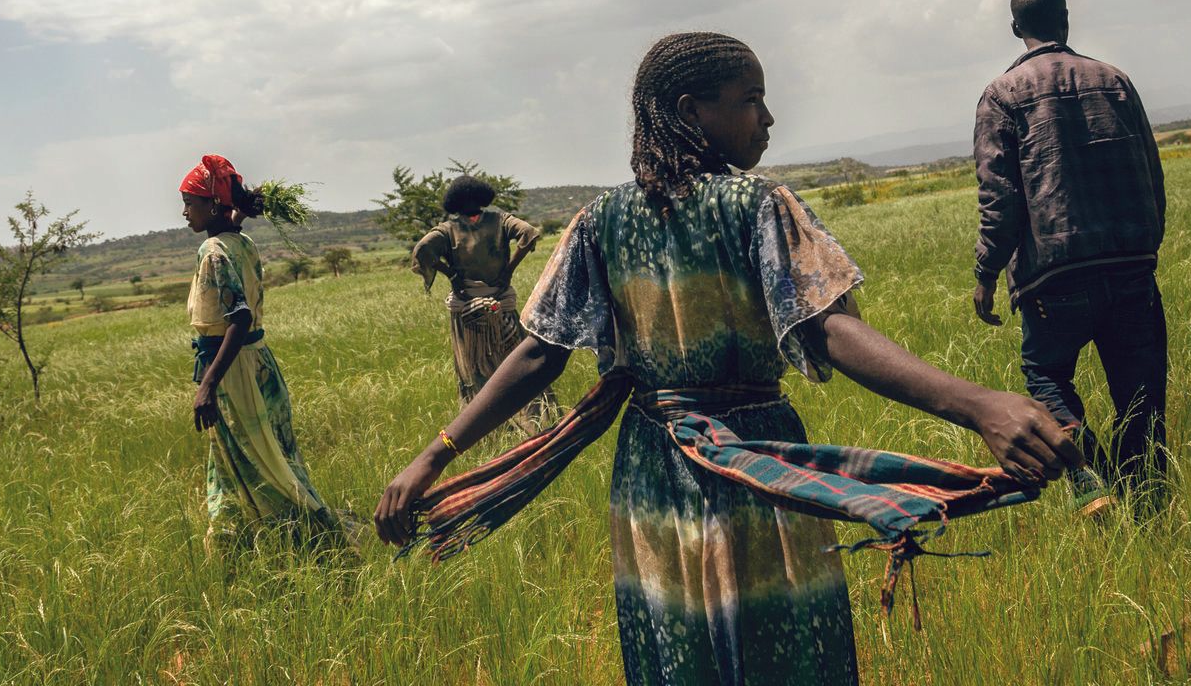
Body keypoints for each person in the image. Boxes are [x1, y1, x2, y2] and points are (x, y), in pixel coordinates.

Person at [377, 33, 1077, 685]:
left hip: (651, 478)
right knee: (783, 645)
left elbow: (538, 353)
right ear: (692, 111)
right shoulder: (759, 204)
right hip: (758, 466)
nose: (768, 118)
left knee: (679, 650)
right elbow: (828, 330)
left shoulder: (600, 220)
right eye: (750, 99)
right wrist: (980, 404)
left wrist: (434, 455)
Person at [971, 0, 1169, 509]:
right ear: (1066, 18)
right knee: (1142, 398)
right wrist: (1147, 247)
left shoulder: (1001, 94)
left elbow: (1000, 196)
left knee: (1046, 377)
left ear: (1016, 29)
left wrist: (987, 273)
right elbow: (1152, 171)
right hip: (1131, 266)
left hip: (1052, 276)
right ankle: (1148, 504)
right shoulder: (1115, 81)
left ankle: (1086, 475)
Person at [182, 154, 345, 549]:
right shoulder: (240, 242)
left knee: (254, 462)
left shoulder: (214, 253)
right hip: (257, 365)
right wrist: (238, 213)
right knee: (269, 455)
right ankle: (273, 540)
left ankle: (306, 538)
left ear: (213, 205)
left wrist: (207, 386)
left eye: (191, 202)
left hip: (233, 372)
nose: (184, 211)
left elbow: (236, 319)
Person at [411, 174, 559, 433]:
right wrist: (508, 270)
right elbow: (529, 233)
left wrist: (452, 275)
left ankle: (486, 428)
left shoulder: (448, 230)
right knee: (517, 363)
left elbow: (422, 251)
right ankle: (536, 422)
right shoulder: (500, 220)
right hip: (501, 304)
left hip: (467, 312)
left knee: (474, 371)